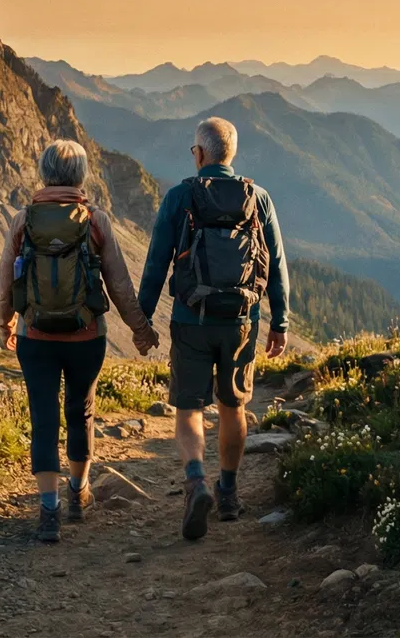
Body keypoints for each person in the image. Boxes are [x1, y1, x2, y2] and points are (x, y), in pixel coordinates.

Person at [0, 139, 161, 543]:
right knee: (81, 411)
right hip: (86, 336)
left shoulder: (23, 221)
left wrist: (5, 325)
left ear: (44, 173)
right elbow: (119, 284)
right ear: (81, 176)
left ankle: (48, 512)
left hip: (34, 336)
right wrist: (141, 330)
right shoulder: (95, 220)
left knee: (43, 417)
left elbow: (4, 283)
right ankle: (78, 493)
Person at [136, 116, 289, 541]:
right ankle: (228, 492)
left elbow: (156, 262)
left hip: (191, 319)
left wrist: (142, 319)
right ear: (231, 155)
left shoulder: (180, 197)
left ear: (199, 154)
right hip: (241, 321)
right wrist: (280, 321)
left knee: (188, 409)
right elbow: (275, 265)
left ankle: (196, 480)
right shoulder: (258, 198)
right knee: (233, 407)